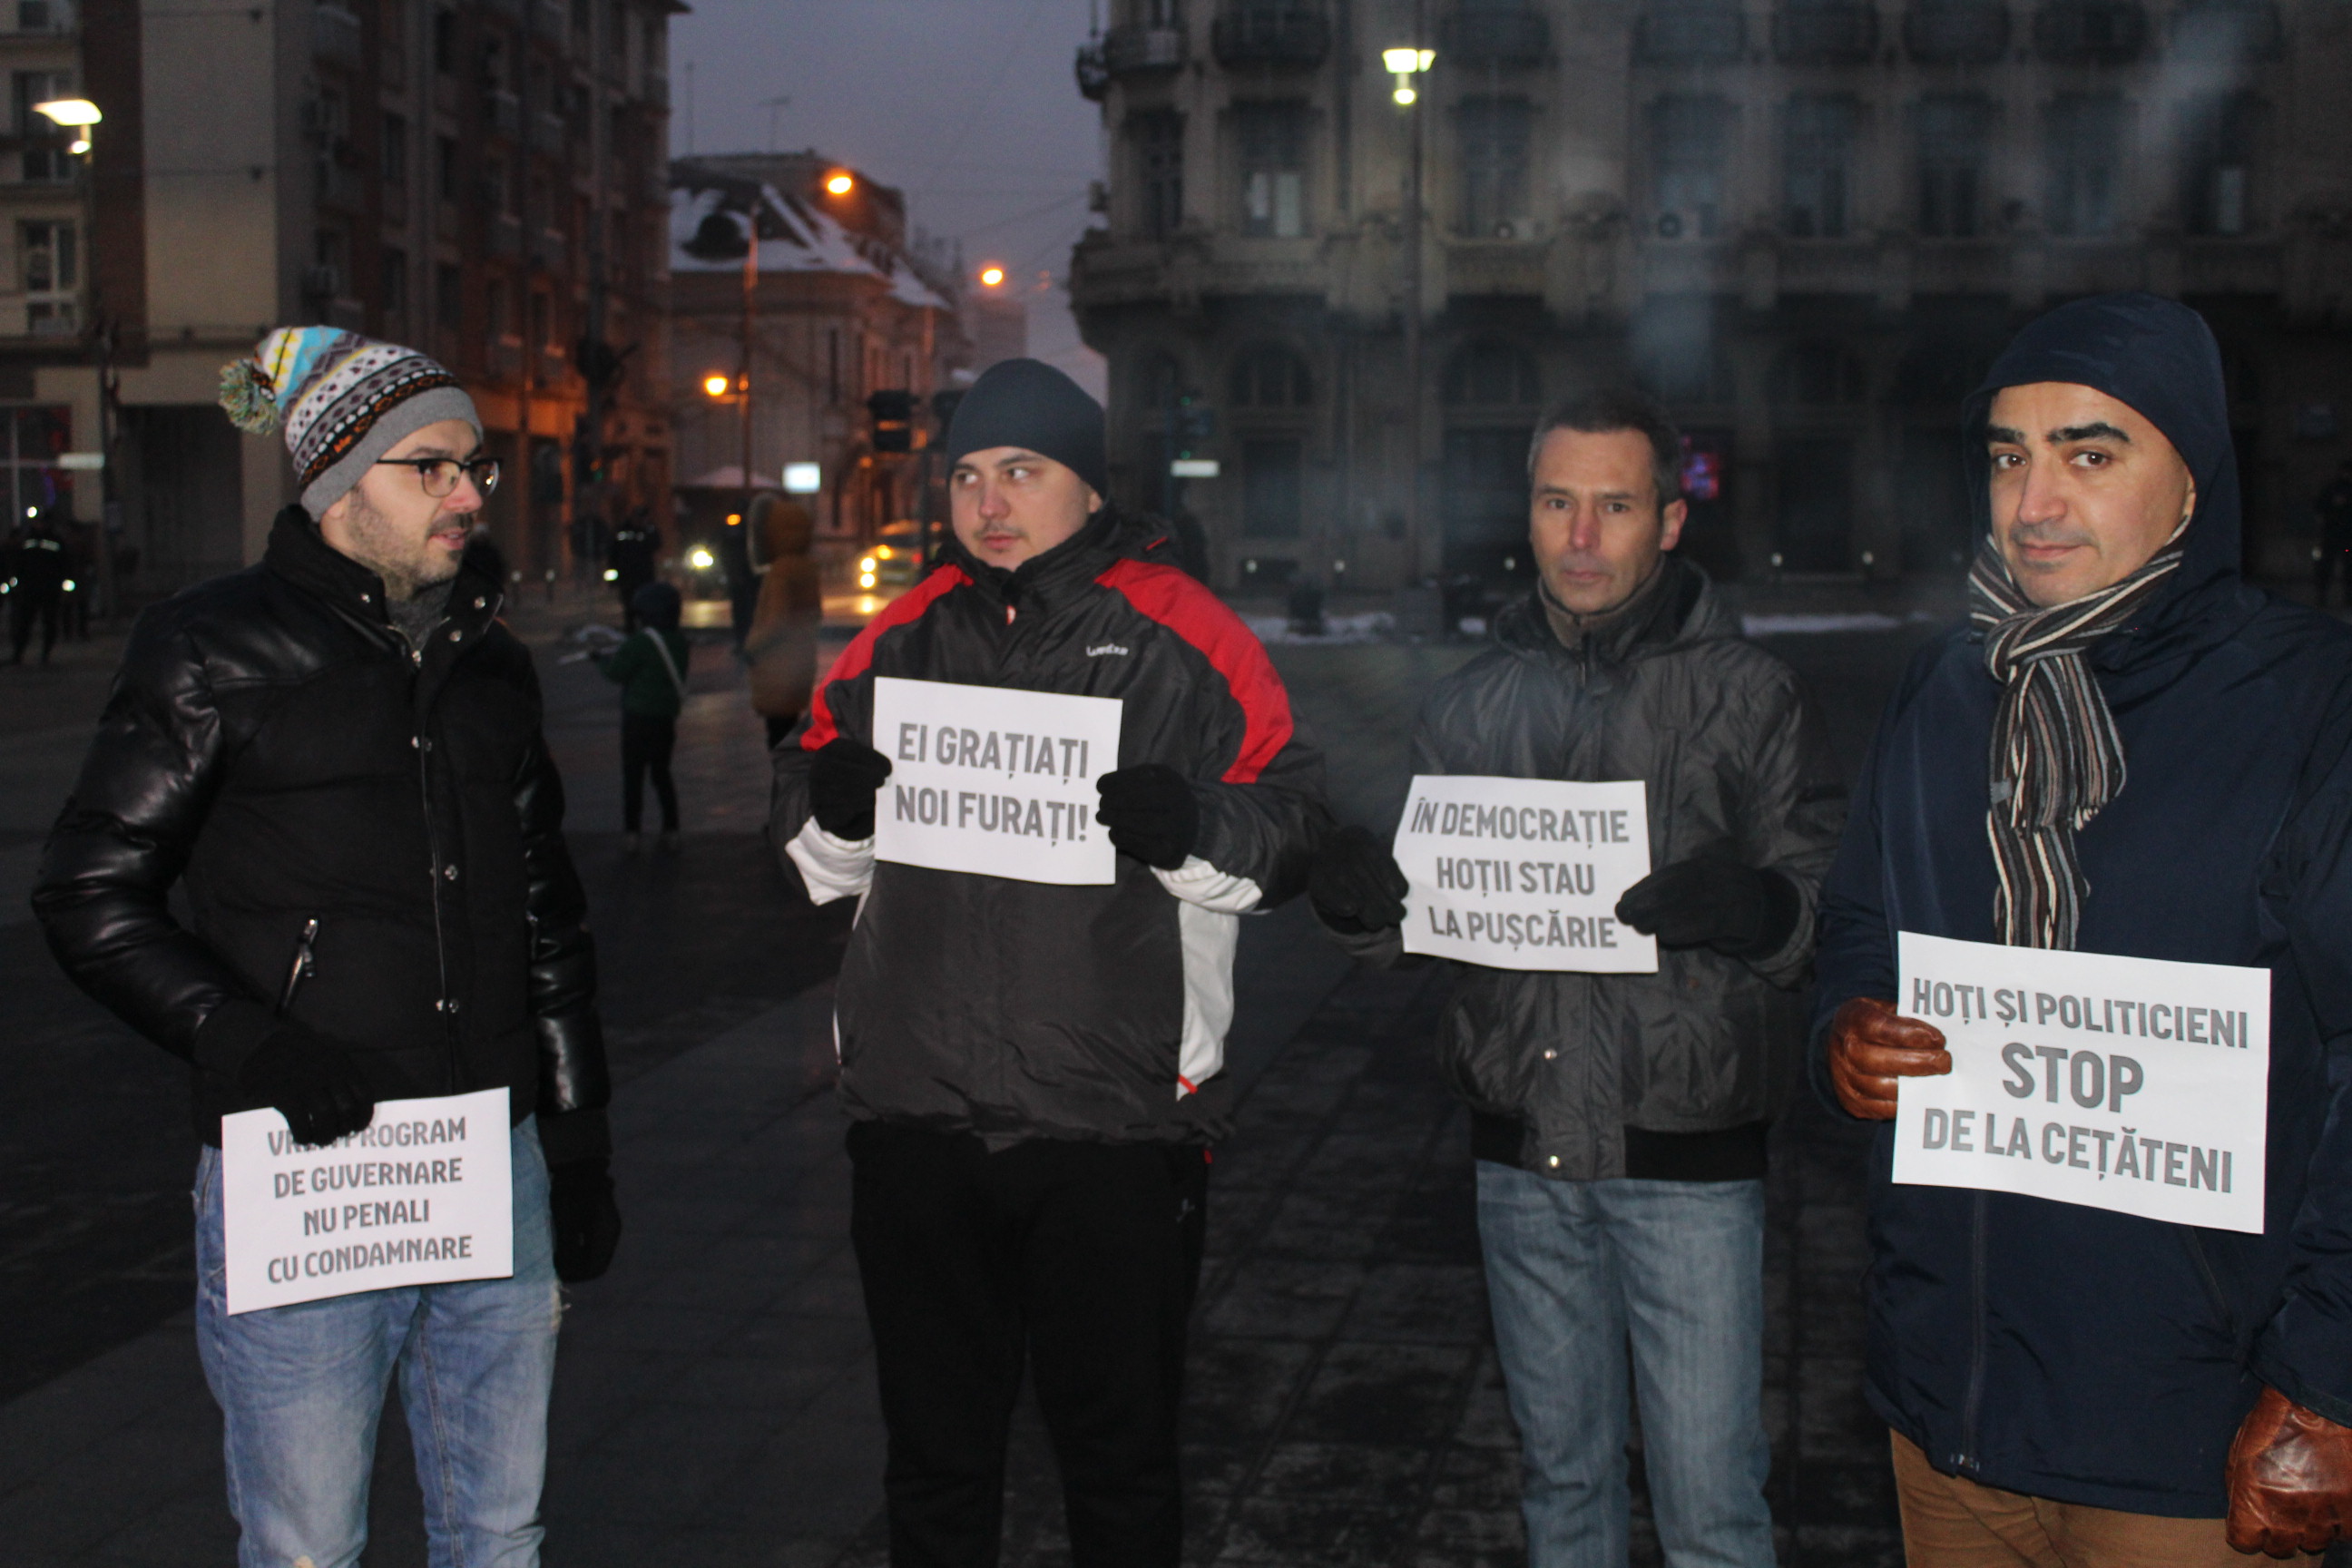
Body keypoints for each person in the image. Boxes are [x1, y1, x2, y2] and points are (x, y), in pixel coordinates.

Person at [33, 326, 622, 1568]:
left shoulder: (489, 663)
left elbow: (544, 916)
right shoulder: (210, 649)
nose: (468, 494)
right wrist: (250, 1046)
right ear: (339, 478)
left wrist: (575, 1146)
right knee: (304, 1545)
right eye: (433, 468)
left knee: (499, 1534)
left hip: (490, 1162)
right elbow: (89, 892)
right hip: (310, 1169)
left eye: (474, 470)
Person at [1816, 292, 2352, 1563]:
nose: (2034, 502)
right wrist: (1844, 1024)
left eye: (2090, 453)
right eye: (2009, 455)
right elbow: (1860, 918)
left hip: (2189, 1431)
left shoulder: (2311, 703)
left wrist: (2330, 1379)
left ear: (2191, 484)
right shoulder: (1950, 689)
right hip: (1949, 1402)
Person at [769, 358, 1328, 1567]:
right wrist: (835, 814)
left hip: (1115, 1130)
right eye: (967, 475)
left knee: (1119, 1475)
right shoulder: (897, 638)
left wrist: (1194, 830)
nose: (988, 502)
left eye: (1022, 471)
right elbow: (808, 855)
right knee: (934, 1472)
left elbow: (1295, 826)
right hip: (917, 1123)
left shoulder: (1186, 633)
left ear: (1088, 489)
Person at [1307, 387, 1844, 1568]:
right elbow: (1429, 915)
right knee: (1560, 1487)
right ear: (1529, 514)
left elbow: (1820, 908)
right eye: (1559, 503)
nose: (1584, 536)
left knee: (1711, 1507)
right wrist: (1360, 906)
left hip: (1690, 1166)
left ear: (1669, 522)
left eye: (1615, 505)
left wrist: (1759, 907)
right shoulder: (1470, 700)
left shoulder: (1749, 694)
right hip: (1521, 1158)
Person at [598, 579, 690, 853]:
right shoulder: (679, 642)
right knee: (662, 774)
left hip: (637, 718)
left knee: (633, 776)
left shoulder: (640, 642)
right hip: (665, 718)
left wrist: (600, 661)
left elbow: (616, 673)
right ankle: (671, 829)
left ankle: (633, 833)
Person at [743, 494, 822, 749]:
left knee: (777, 738)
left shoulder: (780, 571)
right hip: (799, 664)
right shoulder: (807, 567)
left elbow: (776, 621)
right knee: (790, 732)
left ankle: (785, 787)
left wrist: (751, 647)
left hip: (777, 667)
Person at [6, 508, 67, 665]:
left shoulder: (56, 541)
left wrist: (64, 585)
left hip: (50, 588)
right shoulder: (26, 540)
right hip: (29, 588)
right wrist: (16, 582)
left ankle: (45, 655)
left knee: (50, 623)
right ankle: (18, 654)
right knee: (24, 623)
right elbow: (18, 563)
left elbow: (65, 564)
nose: (39, 525)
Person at [2311, 457, 2352, 608]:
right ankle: (2322, 595)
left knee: (2348, 567)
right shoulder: (2331, 489)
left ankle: (2347, 597)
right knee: (2326, 566)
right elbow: (2320, 510)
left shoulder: (2337, 489)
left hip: (2346, 538)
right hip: (2332, 537)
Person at [608, 505, 657, 629]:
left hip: (644, 574)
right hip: (626, 574)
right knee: (628, 604)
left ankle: (644, 627)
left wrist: (647, 528)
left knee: (645, 603)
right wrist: (612, 579)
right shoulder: (622, 530)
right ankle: (630, 628)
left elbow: (657, 544)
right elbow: (613, 553)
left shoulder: (649, 530)